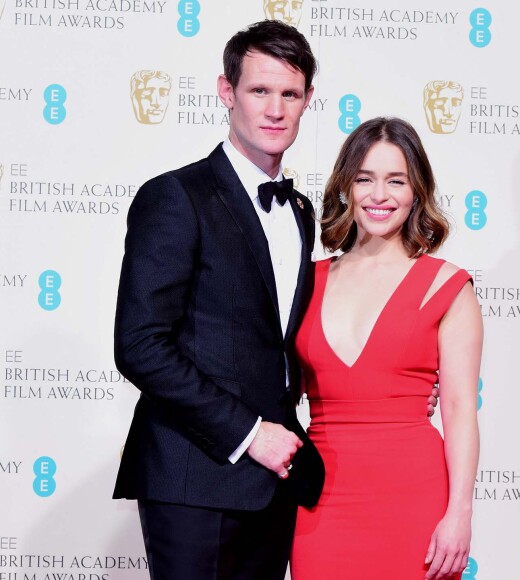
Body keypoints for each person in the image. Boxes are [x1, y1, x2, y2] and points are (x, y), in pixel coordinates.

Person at [114, 20, 322, 580]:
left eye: (290, 94)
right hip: (194, 475)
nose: (275, 109)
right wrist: (250, 434)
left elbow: (278, 338)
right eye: (259, 91)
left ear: (307, 102)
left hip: (275, 481)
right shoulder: (176, 196)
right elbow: (139, 344)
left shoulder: (301, 213)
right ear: (226, 92)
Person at [291, 117, 482, 579]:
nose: (380, 195)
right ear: (345, 187)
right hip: (321, 504)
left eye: (396, 180)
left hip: (414, 499)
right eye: (365, 179)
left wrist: (459, 514)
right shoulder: (305, 281)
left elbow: (458, 408)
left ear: (416, 191)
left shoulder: (448, 285)